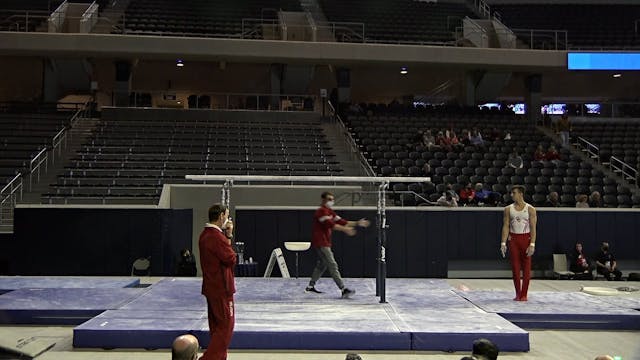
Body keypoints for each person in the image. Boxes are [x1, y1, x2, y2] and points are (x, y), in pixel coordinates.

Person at [306, 192, 370, 298]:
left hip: (326, 242)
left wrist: (357, 223)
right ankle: (343, 289)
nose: (332, 201)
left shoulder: (330, 212)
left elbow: (342, 222)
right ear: (323, 200)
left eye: (332, 199)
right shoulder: (321, 211)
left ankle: (310, 287)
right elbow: (331, 225)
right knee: (332, 264)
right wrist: (346, 230)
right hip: (321, 242)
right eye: (329, 199)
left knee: (322, 265)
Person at [198, 204, 236, 360]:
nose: (227, 219)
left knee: (216, 327)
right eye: (226, 215)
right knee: (226, 326)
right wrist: (229, 234)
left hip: (211, 287)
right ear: (221, 216)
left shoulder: (204, 235)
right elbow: (231, 258)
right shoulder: (216, 236)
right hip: (222, 288)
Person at [500, 185, 537, 301]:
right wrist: (503, 243)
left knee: (526, 267)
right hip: (513, 240)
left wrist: (532, 244)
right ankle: (518, 293)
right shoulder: (507, 209)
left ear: (521, 194)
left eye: (514, 193)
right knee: (515, 268)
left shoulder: (530, 209)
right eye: (511, 193)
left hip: (525, 239)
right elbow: (505, 226)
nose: (511, 195)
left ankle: (524, 294)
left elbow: (533, 228)